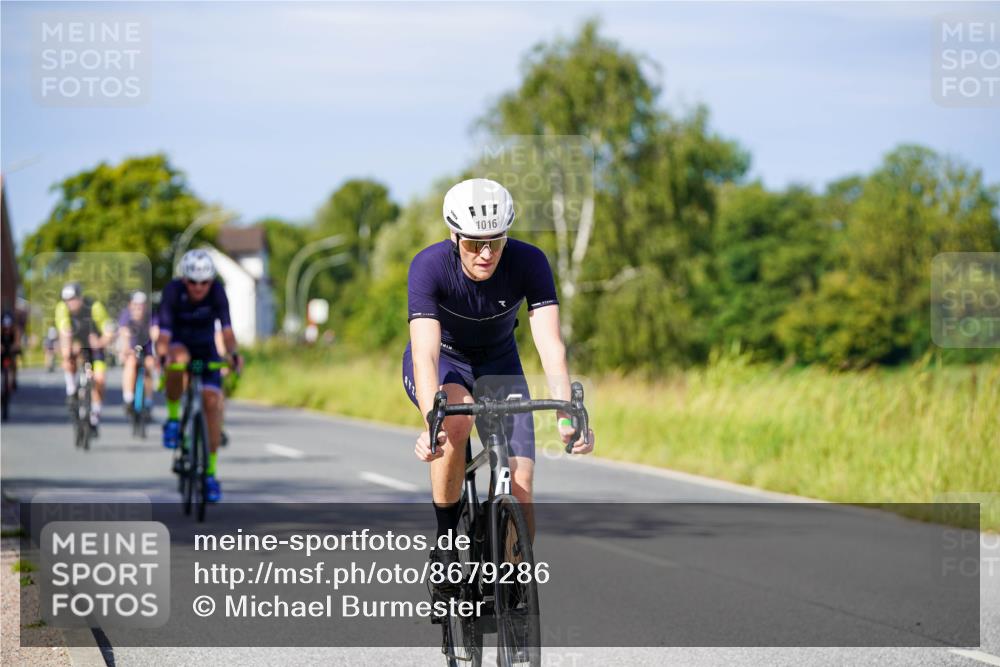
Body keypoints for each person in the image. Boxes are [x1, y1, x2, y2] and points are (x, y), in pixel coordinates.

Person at [402, 178, 595, 587]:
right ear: (454, 237)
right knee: (456, 424)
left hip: (499, 364)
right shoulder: (429, 266)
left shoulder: (529, 262)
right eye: (474, 244)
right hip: (447, 364)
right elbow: (425, 354)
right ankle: (446, 542)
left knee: (521, 486)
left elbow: (551, 347)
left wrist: (566, 417)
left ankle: (509, 583)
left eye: (496, 241)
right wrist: (429, 421)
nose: (486, 254)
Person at [156, 249, 242, 503]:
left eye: (204, 282)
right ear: (184, 280)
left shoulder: (217, 292)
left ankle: (211, 475)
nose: (198, 288)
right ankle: (173, 420)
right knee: (178, 362)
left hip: (206, 350)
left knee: (213, 404)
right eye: (193, 282)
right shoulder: (173, 292)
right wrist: (163, 356)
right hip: (179, 344)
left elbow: (227, 331)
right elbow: (163, 335)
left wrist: (233, 355)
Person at [55, 282, 112, 434]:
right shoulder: (62, 309)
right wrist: (67, 354)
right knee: (68, 357)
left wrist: (100, 342)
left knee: (99, 380)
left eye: (73, 299)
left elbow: (109, 331)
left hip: (95, 344)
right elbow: (65, 333)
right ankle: (71, 390)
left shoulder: (94, 306)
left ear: (80, 297)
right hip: (76, 341)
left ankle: (94, 417)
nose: (70, 303)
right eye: (67, 300)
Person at [117, 291, 156, 418]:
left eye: (141, 306)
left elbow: (155, 334)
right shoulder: (126, 315)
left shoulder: (151, 316)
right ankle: (128, 398)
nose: (138, 309)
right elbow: (124, 333)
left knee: (149, 366)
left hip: (147, 347)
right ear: (130, 305)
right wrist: (125, 350)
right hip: (131, 347)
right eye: (135, 305)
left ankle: (148, 402)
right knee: (131, 363)